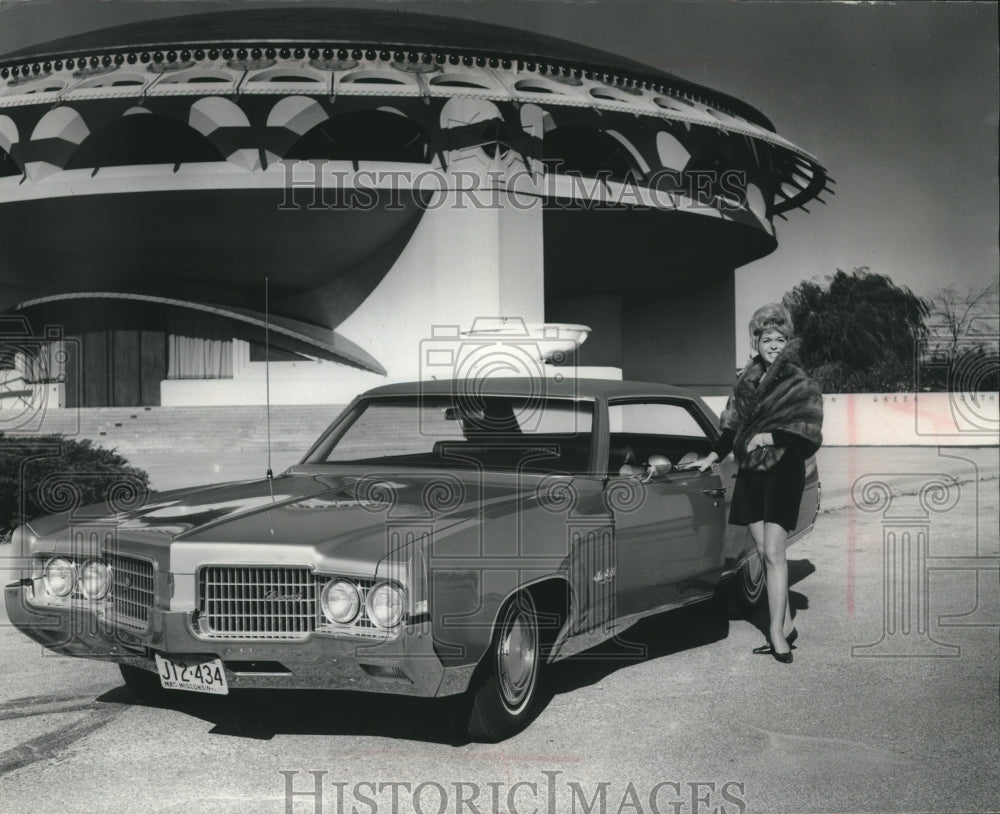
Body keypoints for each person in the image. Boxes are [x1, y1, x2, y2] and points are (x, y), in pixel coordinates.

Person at [691, 303, 823, 663]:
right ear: (757, 341)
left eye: (780, 339)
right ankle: (788, 620)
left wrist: (766, 438)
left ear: (788, 341)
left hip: (783, 471)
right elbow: (731, 424)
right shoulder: (746, 378)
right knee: (762, 552)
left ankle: (777, 634)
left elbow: (808, 432)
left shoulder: (800, 381)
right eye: (767, 339)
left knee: (776, 553)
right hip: (751, 474)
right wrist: (713, 456)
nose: (774, 345)